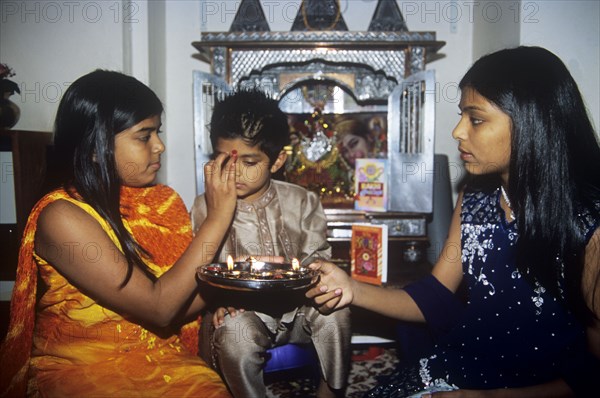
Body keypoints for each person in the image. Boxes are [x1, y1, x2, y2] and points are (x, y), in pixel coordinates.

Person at [306, 46, 600, 397]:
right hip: (457, 368)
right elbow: (433, 297)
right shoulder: (474, 199)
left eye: (475, 119)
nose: (458, 131)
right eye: (462, 116)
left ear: (531, 123)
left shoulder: (588, 228)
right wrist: (351, 288)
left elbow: (595, 371)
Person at [0, 70, 237, 397]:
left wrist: (235, 283)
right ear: (95, 147)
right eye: (144, 135)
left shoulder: (160, 203)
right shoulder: (62, 216)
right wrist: (219, 215)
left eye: (158, 132)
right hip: (83, 368)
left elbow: (175, 304)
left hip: (159, 359)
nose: (160, 146)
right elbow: (159, 307)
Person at [191, 89, 351, 398]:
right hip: (243, 314)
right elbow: (198, 271)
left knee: (337, 309)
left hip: (299, 309)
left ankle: (331, 392)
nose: (235, 172)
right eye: (225, 160)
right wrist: (217, 302)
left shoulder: (303, 202)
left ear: (277, 160)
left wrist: (315, 282)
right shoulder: (204, 207)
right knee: (234, 334)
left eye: (250, 162)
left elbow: (318, 262)